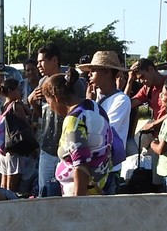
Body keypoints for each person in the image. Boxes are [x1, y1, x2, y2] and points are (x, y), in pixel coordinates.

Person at [41, 68, 114, 196]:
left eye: (49, 103)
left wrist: (78, 203)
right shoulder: (95, 108)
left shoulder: (73, 120)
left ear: (56, 98)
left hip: (81, 194)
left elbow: (81, 165)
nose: (51, 108)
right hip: (103, 184)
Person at [28, 43, 84, 197]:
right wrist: (32, 102)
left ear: (54, 60)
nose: (38, 65)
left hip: (68, 150)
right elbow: (44, 116)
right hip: (47, 147)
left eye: (41, 61)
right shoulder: (41, 83)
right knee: (45, 193)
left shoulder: (72, 82)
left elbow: (79, 113)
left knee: (66, 195)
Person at [81, 51, 133, 156]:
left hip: (109, 165)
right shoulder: (94, 96)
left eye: (93, 70)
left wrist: (90, 104)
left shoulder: (121, 100)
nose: (89, 74)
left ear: (107, 72)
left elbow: (104, 131)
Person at [0, 77, 34, 192]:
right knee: (13, 184)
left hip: (5, 149)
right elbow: (27, 123)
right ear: (11, 91)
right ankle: (10, 203)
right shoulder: (16, 107)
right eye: (18, 90)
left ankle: (3, 200)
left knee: (4, 180)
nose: (20, 92)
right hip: (16, 148)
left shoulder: (4, 106)